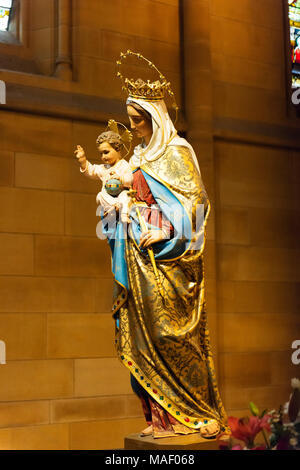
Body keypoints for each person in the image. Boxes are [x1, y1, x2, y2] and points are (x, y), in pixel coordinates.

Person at [104, 51, 230, 439]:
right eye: (131, 121)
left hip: (171, 263)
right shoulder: (139, 155)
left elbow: (197, 204)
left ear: (154, 116)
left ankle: (194, 413)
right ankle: (160, 419)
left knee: (169, 335)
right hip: (138, 258)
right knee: (141, 341)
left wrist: (169, 231)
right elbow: (126, 191)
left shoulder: (177, 152)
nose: (135, 128)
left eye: (139, 120)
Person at [74, 129, 133, 223]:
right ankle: (114, 207)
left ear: (117, 149)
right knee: (100, 196)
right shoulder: (103, 168)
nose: (103, 157)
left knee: (126, 195)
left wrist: (120, 179)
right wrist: (83, 160)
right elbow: (91, 171)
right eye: (101, 154)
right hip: (109, 200)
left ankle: (124, 214)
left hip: (121, 195)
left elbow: (130, 179)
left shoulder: (124, 165)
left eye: (106, 152)